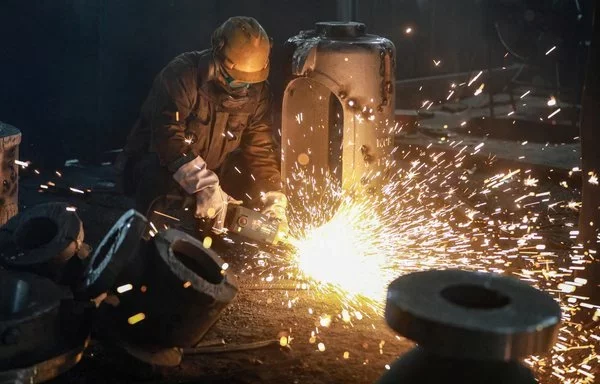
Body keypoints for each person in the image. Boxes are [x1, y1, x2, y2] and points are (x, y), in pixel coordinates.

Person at [116, 16, 288, 234]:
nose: (241, 88)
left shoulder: (259, 93)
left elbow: (260, 149)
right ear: (217, 60)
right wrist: (202, 183)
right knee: (161, 197)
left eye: (248, 83)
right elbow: (167, 134)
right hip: (157, 165)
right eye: (234, 80)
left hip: (210, 174)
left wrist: (273, 196)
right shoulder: (182, 75)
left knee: (244, 197)